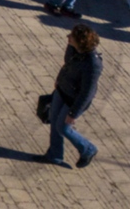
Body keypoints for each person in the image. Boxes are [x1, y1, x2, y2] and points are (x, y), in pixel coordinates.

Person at [41, 24, 102, 168]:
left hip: (74, 100)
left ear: (80, 41)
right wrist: (59, 79)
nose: (68, 37)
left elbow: (87, 92)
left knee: (63, 128)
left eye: (71, 36)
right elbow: (67, 63)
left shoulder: (93, 64)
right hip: (62, 90)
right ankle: (54, 155)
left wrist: (73, 113)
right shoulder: (75, 49)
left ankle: (88, 149)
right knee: (54, 123)